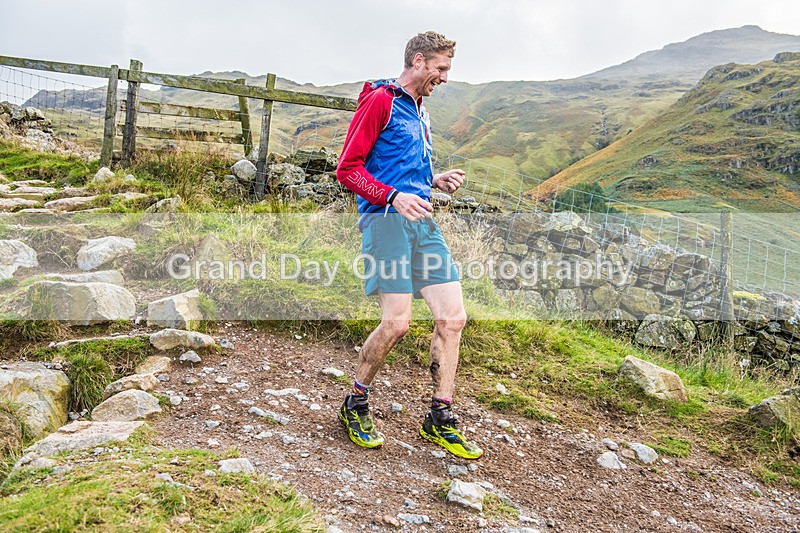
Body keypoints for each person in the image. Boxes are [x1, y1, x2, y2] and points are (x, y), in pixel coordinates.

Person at [335, 31, 483, 460]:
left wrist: (432, 181)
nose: (445, 77)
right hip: (385, 222)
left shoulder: (421, 108)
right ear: (418, 61)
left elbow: (402, 165)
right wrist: (393, 196)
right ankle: (356, 402)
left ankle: (440, 416)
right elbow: (347, 169)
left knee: (453, 318)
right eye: (441, 68)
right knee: (398, 324)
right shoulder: (380, 100)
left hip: (423, 224)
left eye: (447, 69)